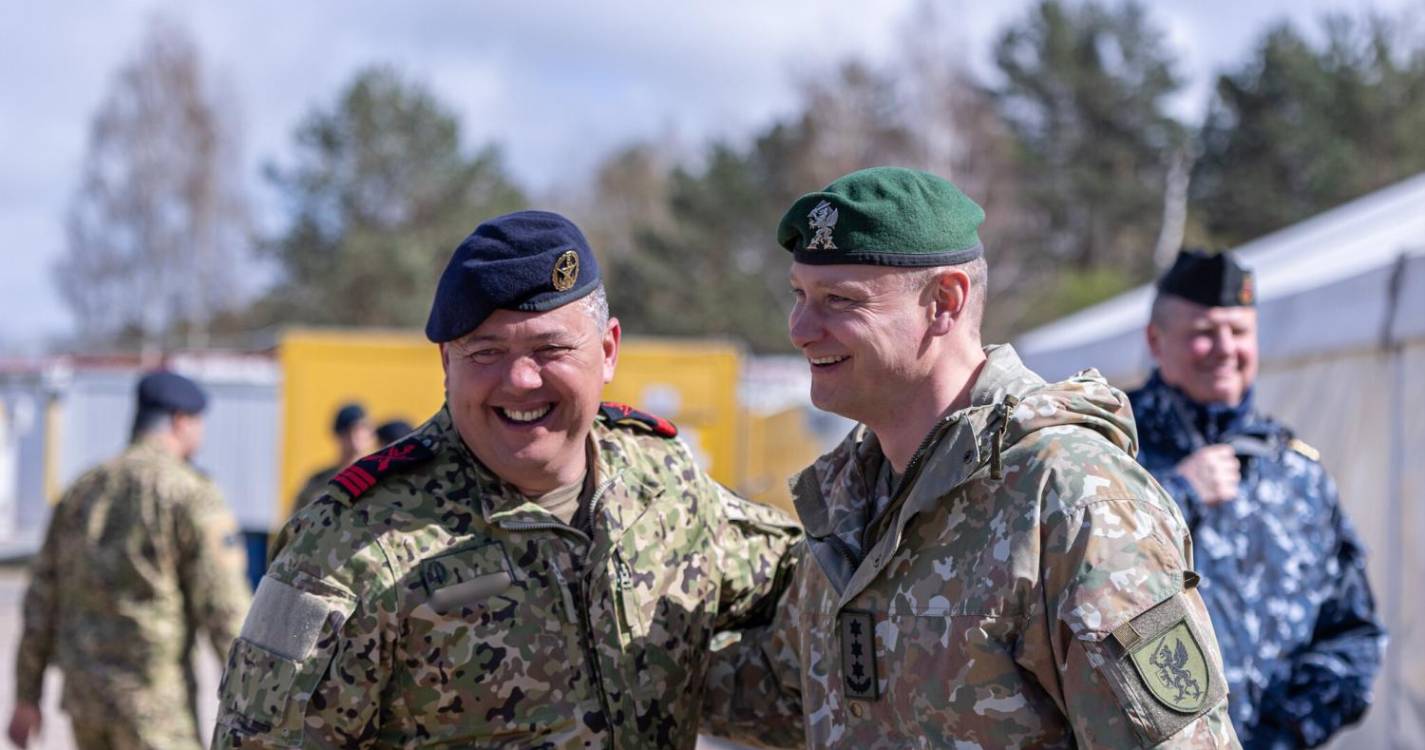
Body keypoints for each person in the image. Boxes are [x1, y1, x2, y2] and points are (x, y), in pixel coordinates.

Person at [212, 210, 802, 748]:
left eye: (550, 348)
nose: (520, 380)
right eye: (485, 352)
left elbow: (808, 577)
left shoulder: (664, 487)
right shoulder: (349, 547)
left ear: (608, 349)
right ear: (447, 363)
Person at [702, 167, 1238, 748]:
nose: (801, 329)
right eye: (799, 296)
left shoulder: (1070, 498)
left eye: (839, 301)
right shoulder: (854, 498)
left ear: (944, 302)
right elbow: (790, 695)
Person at [1127, 249, 1386, 748]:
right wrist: (1175, 496)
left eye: (1239, 332)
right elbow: (1061, 597)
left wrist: (1283, 733)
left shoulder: (1296, 472)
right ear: (1155, 342)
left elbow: (1354, 633)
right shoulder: (1106, 453)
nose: (1225, 349)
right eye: (1203, 332)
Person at [7, 371, 251, 750]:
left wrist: (27, 696)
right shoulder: (190, 494)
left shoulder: (82, 490)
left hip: (86, 704)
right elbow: (225, 609)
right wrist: (253, 707)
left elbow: (41, 599)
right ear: (180, 421)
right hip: (155, 710)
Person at [290, 402, 377, 513]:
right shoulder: (318, 482)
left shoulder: (381, 477)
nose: (356, 435)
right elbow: (296, 522)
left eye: (362, 429)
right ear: (338, 435)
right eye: (348, 431)